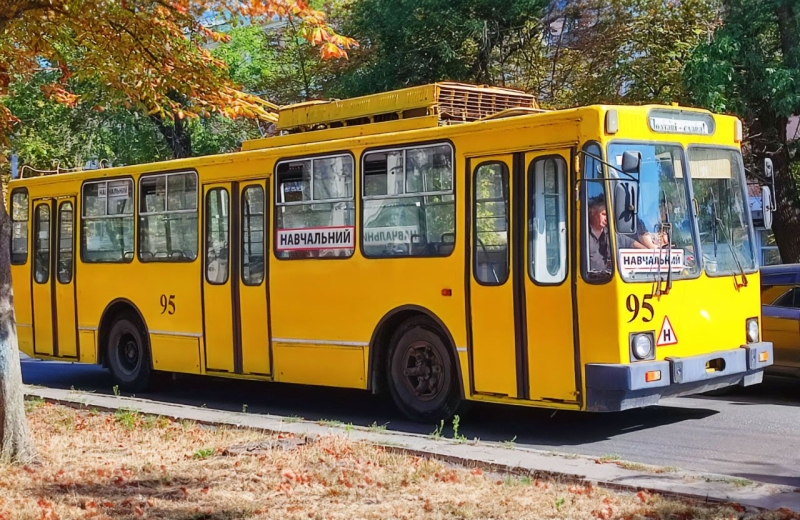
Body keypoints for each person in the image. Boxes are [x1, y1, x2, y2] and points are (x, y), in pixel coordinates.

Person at [587, 196, 646, 272]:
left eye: (608, 215)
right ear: (593, 212)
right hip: (590, 280)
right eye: (604, 214)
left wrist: (648, 254)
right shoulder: (583, 235)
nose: (607, 218)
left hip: (609, 278)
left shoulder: (610, 234)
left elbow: (631, 243)